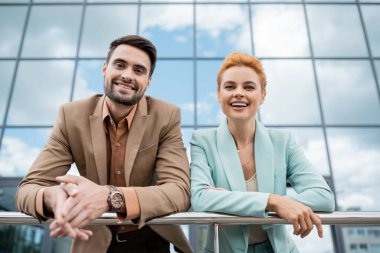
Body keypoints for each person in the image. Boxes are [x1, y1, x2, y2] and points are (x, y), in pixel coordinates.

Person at [16, 35, 192, 253]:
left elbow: (179, 191)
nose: (127, 75)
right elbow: (27, 189)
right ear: (104, 69)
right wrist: (52, 197)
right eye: (120, 65)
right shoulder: (71, 116)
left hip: (149, 235)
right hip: (94, 238)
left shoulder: (166, 116)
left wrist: (111, 197)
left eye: (139, 70)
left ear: (148, 82)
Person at [190, 52, 335, 253]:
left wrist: (231, 200)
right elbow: (199, 198)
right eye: (230, 87)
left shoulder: (282, 141)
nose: (238, 93)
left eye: (248, 87)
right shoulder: (203, 141)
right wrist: (272, 201)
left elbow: (323, 197)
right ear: (218, 94)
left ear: (263, 95)